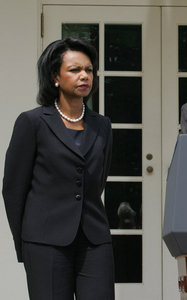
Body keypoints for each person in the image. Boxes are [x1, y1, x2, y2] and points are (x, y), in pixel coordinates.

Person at [2, 37, 114, 299]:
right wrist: (26, 243)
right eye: (75, 70)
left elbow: (97, 182)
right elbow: (13, 190)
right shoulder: (32, 122)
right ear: (55, 76)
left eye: (88, 70)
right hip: (44, 242)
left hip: (94, 240)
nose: (84, 76)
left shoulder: (102, 125)